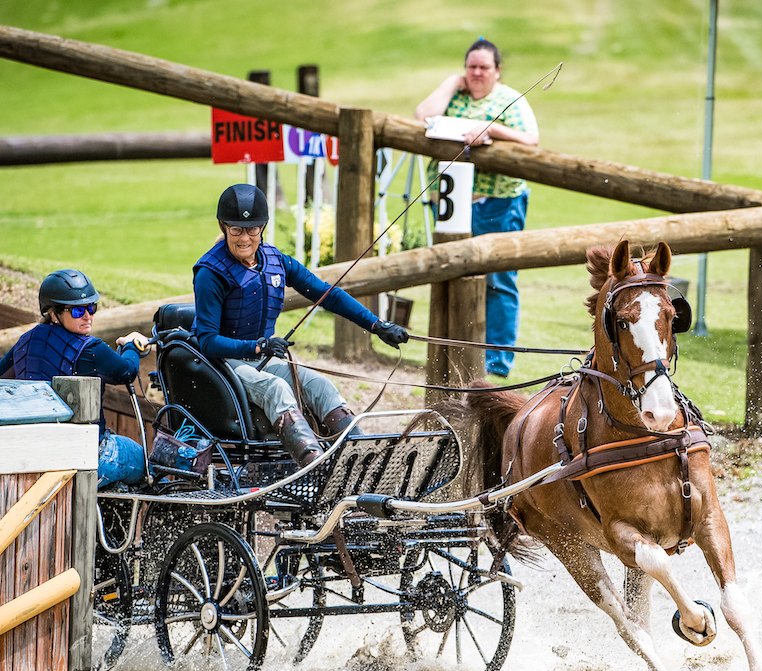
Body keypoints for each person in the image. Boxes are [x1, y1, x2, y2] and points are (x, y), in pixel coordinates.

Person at [191, 184, 409, 467]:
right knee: (276, 389)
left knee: (321, 386)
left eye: (252, 229)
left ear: (263, 227)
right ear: (223, 226)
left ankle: (359, 462)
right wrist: (258, 345)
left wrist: (377, 324)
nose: (245, 238)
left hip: (260, 358)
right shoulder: (210, 273)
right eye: (236, 230)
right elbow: (207, 341)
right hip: (224, 363)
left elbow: (327, 295)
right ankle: (313, 469)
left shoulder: (275, 260)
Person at [415, 38, 539, 377]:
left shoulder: (509, 100)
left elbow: (531, 139)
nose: (477, 73)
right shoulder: (455, 95)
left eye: (484, 67)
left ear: (497, 71)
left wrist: (493, 129)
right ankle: (455, 350)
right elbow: (423, 116)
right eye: (471, 67)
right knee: (451, 272)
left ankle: (496, 363)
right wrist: (451, 82)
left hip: (498, 202)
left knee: (498, 279)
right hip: (453, 202)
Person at [0, 269, 149, 488]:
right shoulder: (91, 349)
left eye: (91, 307)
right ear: (53, 313)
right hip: (88, 454)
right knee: (146, 463)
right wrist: (132, 346)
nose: (87, 316)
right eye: (76, 311)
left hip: (35, 452)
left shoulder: (25, 342)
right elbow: (127, 371)